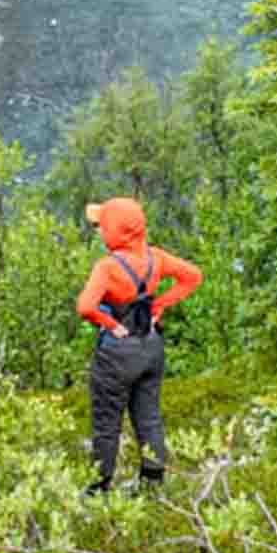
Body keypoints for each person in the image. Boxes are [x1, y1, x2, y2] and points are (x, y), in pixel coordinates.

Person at [72, 195, 201, 492]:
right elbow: (193, 276)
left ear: (114, 233)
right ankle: (153, 484)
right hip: (151, 346)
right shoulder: (156, 258)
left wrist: (111, 325)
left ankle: (99, 488)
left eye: (101, 226)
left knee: (107, 423)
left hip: (118, 353)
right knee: (149, 416)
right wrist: (161, 305)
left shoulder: (108, 267)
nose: (99, 231)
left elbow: (85, 307)